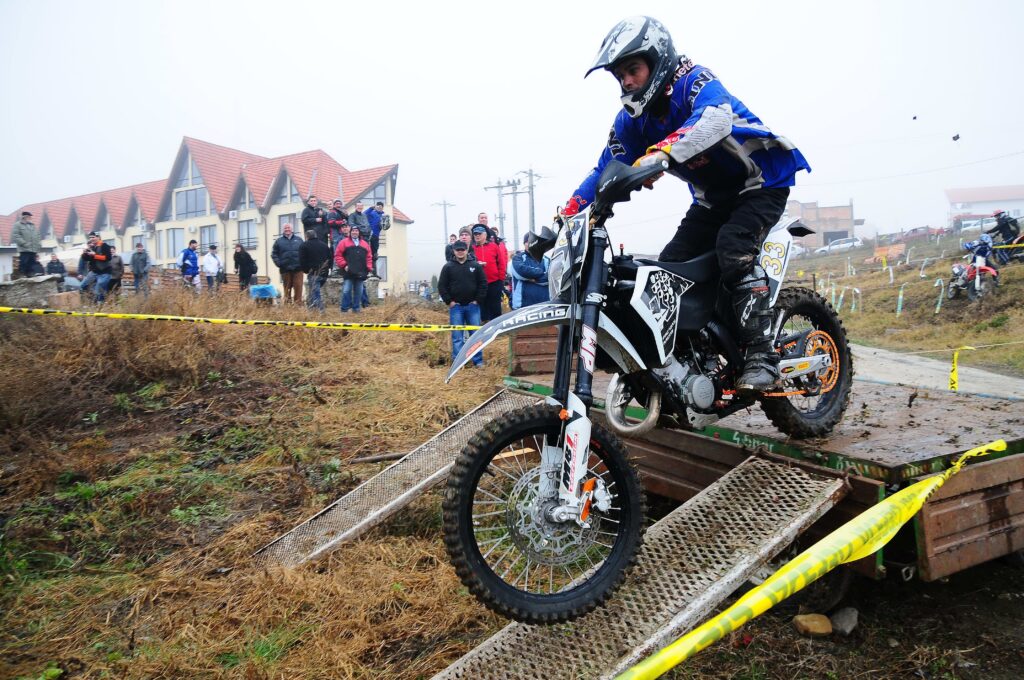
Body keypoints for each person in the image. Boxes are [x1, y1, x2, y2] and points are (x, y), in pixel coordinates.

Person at [563, 16, 810, 392]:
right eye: (620, 76)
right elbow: (604, 169)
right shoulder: (632, 121)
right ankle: (700, 352)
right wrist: (565, 214)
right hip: (712, 202)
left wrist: (660, 154)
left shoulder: (693, 81)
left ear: (657, 60)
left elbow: (715, 119)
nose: (626, 81)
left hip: (761, 184)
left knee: (733, 248)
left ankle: (761, 354)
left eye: (633, 70)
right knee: (669, 271)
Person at [438, 240, 486, 367]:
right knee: (457, 336)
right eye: (457, 250)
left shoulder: (475, 266)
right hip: (456, 307)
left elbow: (483, 284)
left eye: (462, 250)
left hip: (473, 307)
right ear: (453, 251)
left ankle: (478, 361)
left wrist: (477, 300)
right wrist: (449, 301)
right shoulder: (448, 267)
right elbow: (442, 286)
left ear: (467, 250)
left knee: (475, 336)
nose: (460, 252)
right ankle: (458, 363)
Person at [471, 224, 507, 322]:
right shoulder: (472, 248)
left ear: (485, 235)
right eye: (475, 234)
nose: (477, 236)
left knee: (495, 308)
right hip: (478, 284)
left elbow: (501, 263)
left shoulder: (494, 246)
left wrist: (501, 279)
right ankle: (484, 331)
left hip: (494, 282)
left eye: (479, 234)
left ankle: (497, 330)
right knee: (482, 308)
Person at [334, 225, 373, 313]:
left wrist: (369, 268)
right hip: (348, 272)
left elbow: (369, 257)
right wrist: (344, 265)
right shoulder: (343, 242)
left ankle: (356, 309)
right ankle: (344, 309)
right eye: (353, 231)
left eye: (356, 231)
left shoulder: (365, 244)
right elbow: (338, 255)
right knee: (346, 290)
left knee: (359, 291)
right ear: (350, 232)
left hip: (361, 272)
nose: (354, 232)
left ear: (359, 233)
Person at [510, 234, 549, 309]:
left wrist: (532, 278)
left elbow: (550, 277)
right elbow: (520, 272)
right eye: (527, 242)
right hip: (522, 305)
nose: (530, 244)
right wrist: (541, 272)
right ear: (524, 244)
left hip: (544, 304)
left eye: (532, 241)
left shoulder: (546, 259)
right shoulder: (517, 258)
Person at [299, 229, 332, 311]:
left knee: (315, 293)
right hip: (324, 273)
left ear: (306, 237)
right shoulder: (324, 245)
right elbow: (330, 258)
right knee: (313, 292)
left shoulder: (304, 246)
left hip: (313, 273)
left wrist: (306, 270)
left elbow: (302, 260)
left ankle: (321, 311)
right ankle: (311, 310)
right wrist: (328, 269)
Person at [272, 223, 304, 304]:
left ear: (292, 229)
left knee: (298, 289)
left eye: (288, 228)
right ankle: (288, 309)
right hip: (285, 269)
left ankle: (298, 308)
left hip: (298, 269)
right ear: (283, 230)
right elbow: (274, 254)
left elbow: (304, 252)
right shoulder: (279, 241)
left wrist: (303, 263)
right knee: (287, 290)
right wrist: (279, 263)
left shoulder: (299, 240)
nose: (287, 229)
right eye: (285, 228)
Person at [80, 231, 114, 302]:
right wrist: (84, 253)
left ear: (98, 237)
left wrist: (94, 255)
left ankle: (100, 304)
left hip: (104, 273)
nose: (91, 239)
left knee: (98, 291)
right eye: (90, 237)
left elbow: (108, 258)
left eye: (93, 237)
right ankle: (90, 300)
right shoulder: (92, 247)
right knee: (82, 286)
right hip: (94, 272)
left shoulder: (105, 246)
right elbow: (87, 259)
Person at [11, 211, 41, 280]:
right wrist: (24, 243)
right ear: (24, 217)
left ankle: (30, 273)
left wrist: (38, 244)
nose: (30, 218)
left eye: (30, 217)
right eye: (29, 217)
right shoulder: (18, 225)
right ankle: (22, 274)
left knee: (32, 262)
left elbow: (38, 235)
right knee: (24, 261)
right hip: (24, 248)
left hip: (33, 248)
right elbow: (16, 236)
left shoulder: (32, 225)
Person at [365, 200, 386, 274]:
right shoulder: (371, 213)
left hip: (376, 236)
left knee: (375, 254)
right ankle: (367, 270)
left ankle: (374, 272)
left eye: (381, 207)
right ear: (376, 206)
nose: (379, 208)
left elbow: (386, 226)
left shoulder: (384, 216)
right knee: (367, 253)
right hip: (368, 235)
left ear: (382, 208)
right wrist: (370, 208)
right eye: (378, 206)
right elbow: (364, 214)